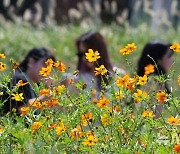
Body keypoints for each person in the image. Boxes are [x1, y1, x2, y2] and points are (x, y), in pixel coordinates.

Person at [1, 48, 55, 115]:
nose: (48, 70)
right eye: (45, 65)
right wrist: (47, 96)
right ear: (31, 62)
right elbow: (20, 109)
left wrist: (49, 88)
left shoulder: (37, 85)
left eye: (50, 67)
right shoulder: (18, 79)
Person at [137, 41, 174, 117]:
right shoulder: (155, 82)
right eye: (169, 56)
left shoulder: (148, 79)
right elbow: (157, 116)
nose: (172, 60)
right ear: (158, 60)